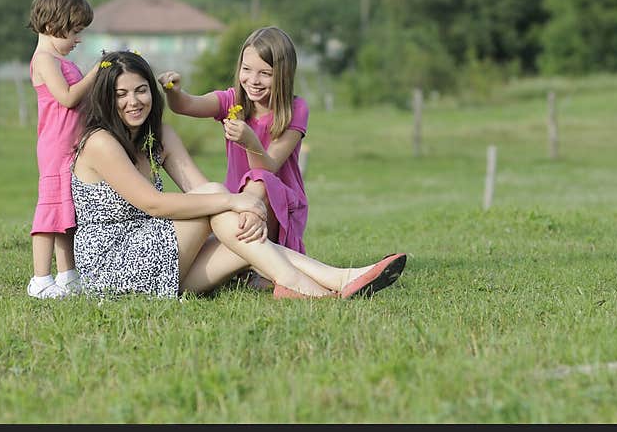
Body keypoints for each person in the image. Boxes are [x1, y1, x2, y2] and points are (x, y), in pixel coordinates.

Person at [71, 50, 406, 300]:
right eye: (121, 94)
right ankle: (301, 285)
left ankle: (341, 278)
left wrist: (238, 210)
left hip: (163, 265)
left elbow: (198, 189)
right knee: (218, 198)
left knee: (240, 237)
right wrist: (236, 200)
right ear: (105, 98)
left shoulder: (160, 136)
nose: (134, 101)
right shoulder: (100, 142)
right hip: (113, 266)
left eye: (141, 90)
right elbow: (155, 205)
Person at [158, 26, 309, 290]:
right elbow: (186, 105)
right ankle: (251, 266)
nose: (253, 80)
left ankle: (255, 265)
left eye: (265, 73)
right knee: (246, 195)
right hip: (239, 207)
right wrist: (173, 92)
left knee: (260, 181)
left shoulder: (295, 110)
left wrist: (250, 141)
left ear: (283, 76)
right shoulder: (232, 101)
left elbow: (269, 168)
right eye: (247, 69)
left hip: (279, 207)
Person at [25, 0, 99, 299]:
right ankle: (40, 280)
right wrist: (96, 72)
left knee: (67, 215)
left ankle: (68, 276)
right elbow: (67, 98)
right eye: (74, 31)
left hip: (73, 146)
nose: (77, 39)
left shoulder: (61, 59)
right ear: (54, 24)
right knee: (50, 214)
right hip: (56, 147)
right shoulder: (44, 60)